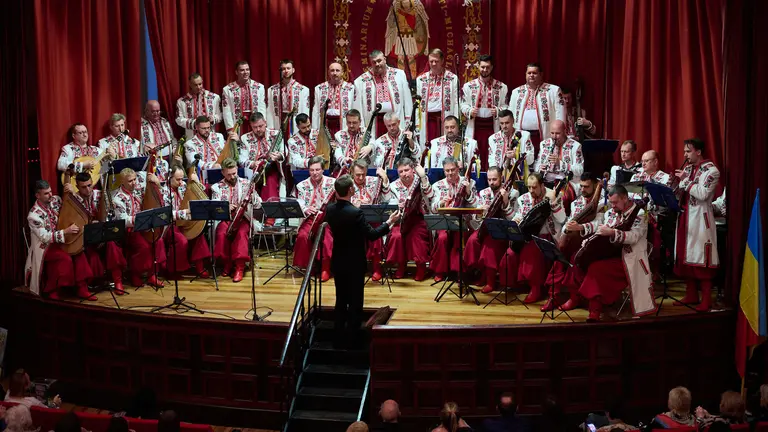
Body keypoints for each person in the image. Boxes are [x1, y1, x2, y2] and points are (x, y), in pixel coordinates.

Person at [326, 174, 398, 345]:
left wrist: (352, 207)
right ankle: (353, 338)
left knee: (341, 299)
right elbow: (372, 235)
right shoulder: (356, 212)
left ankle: (337, 336)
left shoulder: (330, 210)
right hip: (354, 262)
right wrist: (389, 222)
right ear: (351, 189)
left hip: (338, 261)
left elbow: (343, 215)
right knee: (356, 301)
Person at [566, 185, 656, 321]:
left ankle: (595, 311)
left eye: (615, 202)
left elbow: (634, 236)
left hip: (629, 259)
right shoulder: (613, 211)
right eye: (611, 202)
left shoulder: (640, 214)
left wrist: (613, 232)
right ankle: (589, 302)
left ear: (625, 198)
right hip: (611, 255)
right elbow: (600, 224)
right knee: (576, 260)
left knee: (596, 269)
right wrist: (582, 228)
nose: (612, 206)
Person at [498, 173, 566, 304]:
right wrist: (516, 220)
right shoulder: (523, 198)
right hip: (526, 235)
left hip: (547, 236)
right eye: (528, 187)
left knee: (531, 251)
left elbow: (562, 219)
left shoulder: (554, 194)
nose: (531, 191)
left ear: (542, 185)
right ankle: (517, 285)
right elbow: (517, 215)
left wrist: (553, 202)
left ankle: (536, 289)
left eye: (534, 187)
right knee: (509, 255)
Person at [24, 180, 93, 299]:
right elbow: (44, 237)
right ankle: (53, 290)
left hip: (63, 240)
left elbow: (73, 206)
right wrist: (66, 232)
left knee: (78, 252)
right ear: (37, 195)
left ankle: (82, 287)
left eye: (50, 191)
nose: (50, 195)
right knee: (64, 258)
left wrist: (72, 193)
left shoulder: (56, 200)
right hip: (45, 247)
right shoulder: (33, 215)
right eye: (46, 193)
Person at [673, 138, 720, 312]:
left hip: (701, 219)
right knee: (686, 256)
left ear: (698, 152)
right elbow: (682, 192)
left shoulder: (712, 171)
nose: (685, 155)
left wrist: (685, 181)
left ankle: (707, 299)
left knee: (702, 257)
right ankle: (691, 294)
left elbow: (703, 194)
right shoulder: (687, 169)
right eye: (685, 151)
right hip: (685, 217)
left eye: (688, 151)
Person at [551, 173, 605, 312]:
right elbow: (570, 220)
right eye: (581, 186)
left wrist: (581, 227)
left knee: (575, 259)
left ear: (594, 185)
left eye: (586, 187)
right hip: (576, 240)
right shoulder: (576, 203)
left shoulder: (604, 202)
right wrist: (565, 231)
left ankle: (575, 298)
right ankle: (554, 295)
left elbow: (601, 222)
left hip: (596, 241)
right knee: (558, 257)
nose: (583, 190)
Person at [463, 166, 518, 294]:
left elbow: (513, 219)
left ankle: (490, 281)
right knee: (472, 241)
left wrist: (505, 203)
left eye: (495, 179)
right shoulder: (483, 193)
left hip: (502, 229)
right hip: (485, 227)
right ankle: (479, 273)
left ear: (502, 178)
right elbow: (476, 221)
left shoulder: (513, 193)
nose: (491, 182)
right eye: (489, 179)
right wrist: (479, 212)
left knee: (489, 245)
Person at [112, 168, 166, 288]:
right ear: (122, 181)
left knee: (158, 240)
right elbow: (123, 220)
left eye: (135, 179)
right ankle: (135, 274)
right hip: (129, 230)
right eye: (130, 181)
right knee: (143, 246)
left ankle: (152, 275)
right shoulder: (117, 198)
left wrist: (156, 184)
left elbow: (154, 197)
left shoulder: (139, 190)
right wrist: (140, 220)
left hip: (144, 226)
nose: (134, 183)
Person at [211, 158, 262, 283]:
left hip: (244, 218)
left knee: (240, 234)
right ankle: (227, 264)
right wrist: (225, 207)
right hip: (226, 218)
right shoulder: (216, 187)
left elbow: (259, 205)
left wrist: (253, 197)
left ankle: (239, 268)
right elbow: (214, 207)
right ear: (223, 172)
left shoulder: (247, 184)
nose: (233, 176)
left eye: (234, 173)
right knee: (222, 233)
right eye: (229, 174)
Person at [429, 157, 477, 282]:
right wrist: (441, 203)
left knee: (459, 236)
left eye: (453, 170)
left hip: (463, 221)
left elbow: (476, 205)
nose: (450, 173)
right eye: (447, 171)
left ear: (458, 169)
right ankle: (440, 270)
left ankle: (459, 271)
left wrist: (468, 193)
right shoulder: (437, 186)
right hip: (445, 221)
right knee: (442, 238)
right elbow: (433, 208)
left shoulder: (469, 183)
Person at [386, 158, 432, 281]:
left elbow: (430, 195)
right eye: (400, 171)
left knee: (416, 237)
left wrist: (423, 177)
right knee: (396, 236)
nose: (404, 174)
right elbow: (389, 203)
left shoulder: (420, 182)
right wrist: (398, 206)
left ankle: (421, 267)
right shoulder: (393, 185)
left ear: (413, 170)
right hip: (400, 220)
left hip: (418, 219)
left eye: (406, 170)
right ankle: (401, 266)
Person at [461, 55, 509, 171]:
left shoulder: (501, 87)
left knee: (491, 153)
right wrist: (469, 111)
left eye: (487, 67)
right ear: (478, 66)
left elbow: (506, 105)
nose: (484, 70)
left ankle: (492, 178)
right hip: (475, 126)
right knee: (475, 154)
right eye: (482, 67)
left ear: (492, 67)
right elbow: (462, 104)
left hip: (493, 126)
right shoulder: (468, 86)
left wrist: (498, 110)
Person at [163, 165, 211, 279]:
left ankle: (199, 266)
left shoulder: (183, 186)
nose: (181, 182)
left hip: (185, 221)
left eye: (182, 179)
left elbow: (201, 195)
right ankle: (175, 270)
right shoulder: (164, 192)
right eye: (178, 179)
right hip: (170, 225)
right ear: (169, 177)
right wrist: (184, 212)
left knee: (198, 233)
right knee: (181, 241)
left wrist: (196, 182)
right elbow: (167, 214)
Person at [508, 63, 566, 156]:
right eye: (529, 73)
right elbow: (510, 115)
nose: (531, 75)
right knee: (524, 162)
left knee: (542, 162)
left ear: (541, 74)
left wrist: (560, 135)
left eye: (534, 73)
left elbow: (561, 115)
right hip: (522, 136)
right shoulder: (516, 92)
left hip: (544, 135)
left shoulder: (553, 90)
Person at [294, 156, 336, 281]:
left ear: (323, 170)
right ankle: (309, 267)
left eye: (317, 169)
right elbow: (300, 203)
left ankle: (325, 268)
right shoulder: (302, 185)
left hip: (328, 218)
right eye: (312, 170)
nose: (315, 173)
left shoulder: (333, 182)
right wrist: (306, 209)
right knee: (302, 236)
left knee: (327, 237)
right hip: (310, 218)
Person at [354, 50, 413, 139]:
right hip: (374, 122)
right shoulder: (361, 81)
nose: (377, 64)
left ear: (384, 60)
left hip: (395, 119)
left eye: (379, 61)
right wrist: (361, 127)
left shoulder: (399, 74)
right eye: (374, 62)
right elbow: (358, 107)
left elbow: (407, 100)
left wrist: (408, 120)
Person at [350, 160, 391, 281]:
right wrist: (353, 205)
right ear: (352, 172)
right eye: (357, 175)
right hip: (354, 221)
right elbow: (342, 202)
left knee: (376, 234)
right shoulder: (348, 184)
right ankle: (356, 268)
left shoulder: (375, 181)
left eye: (363, 174)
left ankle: (377, 268)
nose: (361, 177)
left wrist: (385, 180)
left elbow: (387, 199)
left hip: (373, 219)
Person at [238, 112, 284, 203]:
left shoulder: (276, 134)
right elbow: (241, 159)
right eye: (255, 127)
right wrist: (253, 163)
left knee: (270, 179)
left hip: (272, 169)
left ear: (265, 123)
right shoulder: (245, 138)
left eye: (260, 126)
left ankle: (270, 209)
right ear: (251, 126)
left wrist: (279, 156)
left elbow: (283, 152)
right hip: (254, 171)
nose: (258, 129)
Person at [416, 49, 460, 145]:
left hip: (444, 118)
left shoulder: (452, 78)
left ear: (442, 61)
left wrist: (456, 121)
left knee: (445, 146)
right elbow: (418, 104)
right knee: (428, 147)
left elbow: (456, 101)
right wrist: (417, 123)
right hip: (427, 119)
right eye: (431, 61)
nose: (434, 64)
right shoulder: (421, 79)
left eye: (436, 61)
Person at [533, 119, 583, 202]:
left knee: (562, 198)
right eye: (552, 133)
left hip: (566, 183)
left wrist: (560, 164)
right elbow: (536, 165)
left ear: (564, 131)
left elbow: (580, 170)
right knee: (534, 194)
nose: (554, 137)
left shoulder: (576, 146)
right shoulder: (544, 144)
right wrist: (540, 168)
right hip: (546, 181)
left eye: (557, 133)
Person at [313, 62, 358, 138]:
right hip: (325, 124)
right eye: (332, 70)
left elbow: (355, 109)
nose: (334, 73)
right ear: (328, 72)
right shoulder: (319, 88)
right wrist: (314, 130)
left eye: (337, 70)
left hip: (343, 124)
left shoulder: (351, 88)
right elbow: (315, 111)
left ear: (342, 72)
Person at [266, 59, 311, 135]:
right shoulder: (272, 90)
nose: (286, 71)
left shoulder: (303, 89)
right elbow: (269, 111)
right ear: (280, 71)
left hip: (294, 121)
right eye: (283, 69)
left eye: (288, 68)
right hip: (279, 121)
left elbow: (305, 110)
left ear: (293, 70)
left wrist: (304, 126)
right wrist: (270, 127)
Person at [487, 110, 535, 178]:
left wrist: (517, 155)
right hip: (501, 177)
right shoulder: (493, 139)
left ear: (513, 121)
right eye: (502, 123)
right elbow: (492, 161)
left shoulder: (524, 135)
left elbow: (531, 159)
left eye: (507, 123)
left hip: (520, 177)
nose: (504, 126)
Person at [222, 61, 266, 134]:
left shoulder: (259, 87)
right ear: (236, 72)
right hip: (237, 123)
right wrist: (230, 129)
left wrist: (262, 124)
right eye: (242, 70)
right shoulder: (228, 89)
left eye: (247, 69)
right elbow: (227, 111)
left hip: (255, 123)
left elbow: (262, 106)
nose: (246, 72)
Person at [176, 72, 222, 140]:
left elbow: (220, 115)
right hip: (191, 137)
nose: (198, 87)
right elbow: (178, 119)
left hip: (210, 136)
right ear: (190, 84)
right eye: (195, 85)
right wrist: (194, 123)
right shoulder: (182, 101)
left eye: (200, 84)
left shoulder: (214, 97)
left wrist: (213, 119)